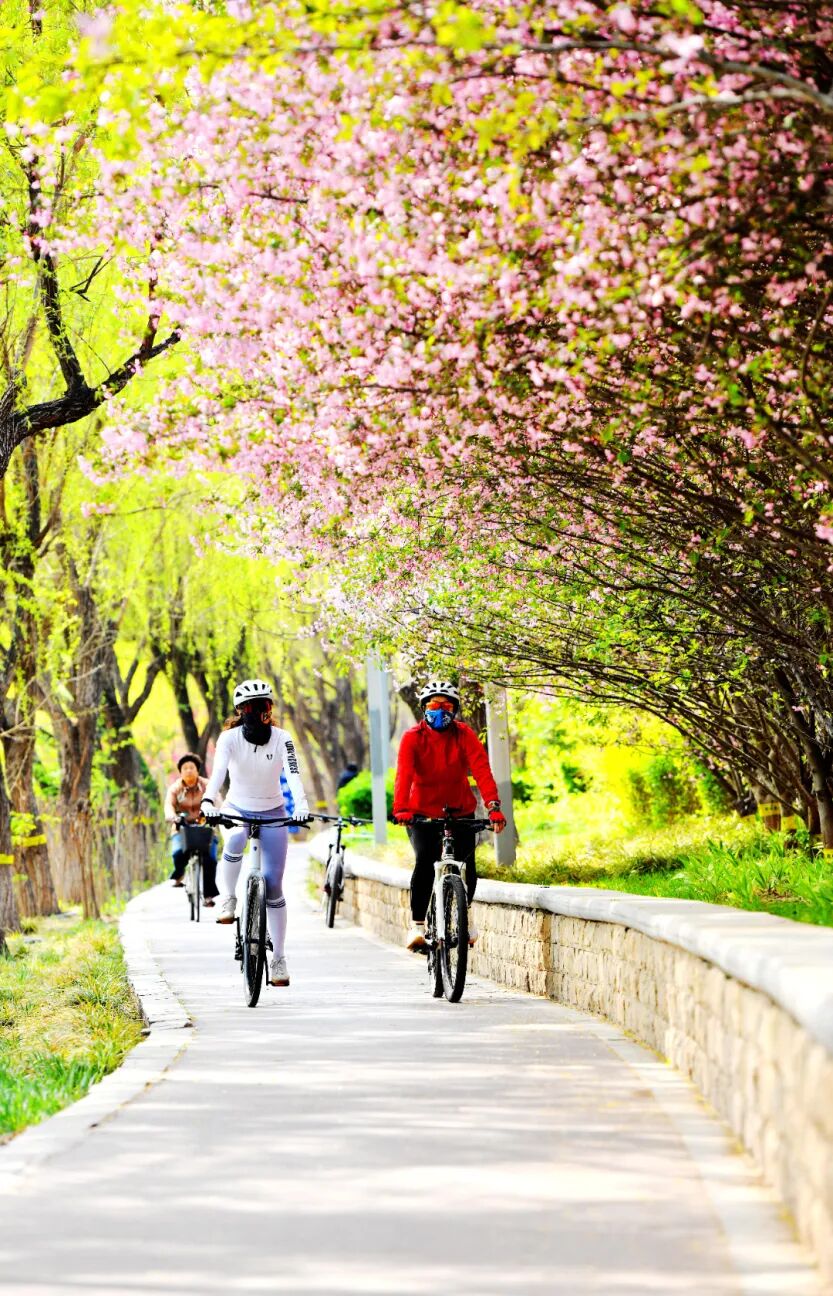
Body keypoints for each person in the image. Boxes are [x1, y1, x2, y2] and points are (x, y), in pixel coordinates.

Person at [200, 678, 310, 986]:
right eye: (250, 707)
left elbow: (294, 774)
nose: (257, 711)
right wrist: (208, 801)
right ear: (240, 711)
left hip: (273, 811)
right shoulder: (229, 739)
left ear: (269, 709)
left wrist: (301, 806)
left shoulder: (282, 738)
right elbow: (218, 773)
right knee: (235, 837)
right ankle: (228, 898)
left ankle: (279, 959)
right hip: (237, 808)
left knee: (273, 886)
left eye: (263, 705)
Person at [392, 680, 507, 951]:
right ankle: (417, 926)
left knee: (467, 865)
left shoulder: (463, 734)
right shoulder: (412, 737)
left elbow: (481, 770)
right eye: (434, 705)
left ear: (454, 710)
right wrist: (401, 809)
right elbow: (404, 775)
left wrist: (493, 807)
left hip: (460, 810)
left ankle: (465, 917)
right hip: (421, 813)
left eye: (446, 706)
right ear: (424, 708)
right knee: (424, 861)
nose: (440, 711)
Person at [164, 752, 219, 904]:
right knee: (177, 853)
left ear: (197, 770)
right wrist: (172, 816)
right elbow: (169, 805)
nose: (188, 770)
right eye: (185, 768)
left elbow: (218, 801)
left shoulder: (208, 786)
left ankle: (208, 896)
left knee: (210, 859)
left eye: (191, 767)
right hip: (182, 828)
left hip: (205, 828)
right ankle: (179, 873)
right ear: (180, 772)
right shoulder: (175, 789)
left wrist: (218, 813)